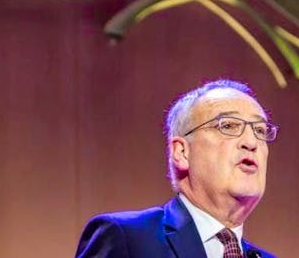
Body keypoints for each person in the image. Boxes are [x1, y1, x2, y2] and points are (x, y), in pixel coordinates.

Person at [76, 79, 278, 258]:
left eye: (260, 130)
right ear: (181, 152)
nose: (251, 142)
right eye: (228, 126)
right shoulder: (127, 238)